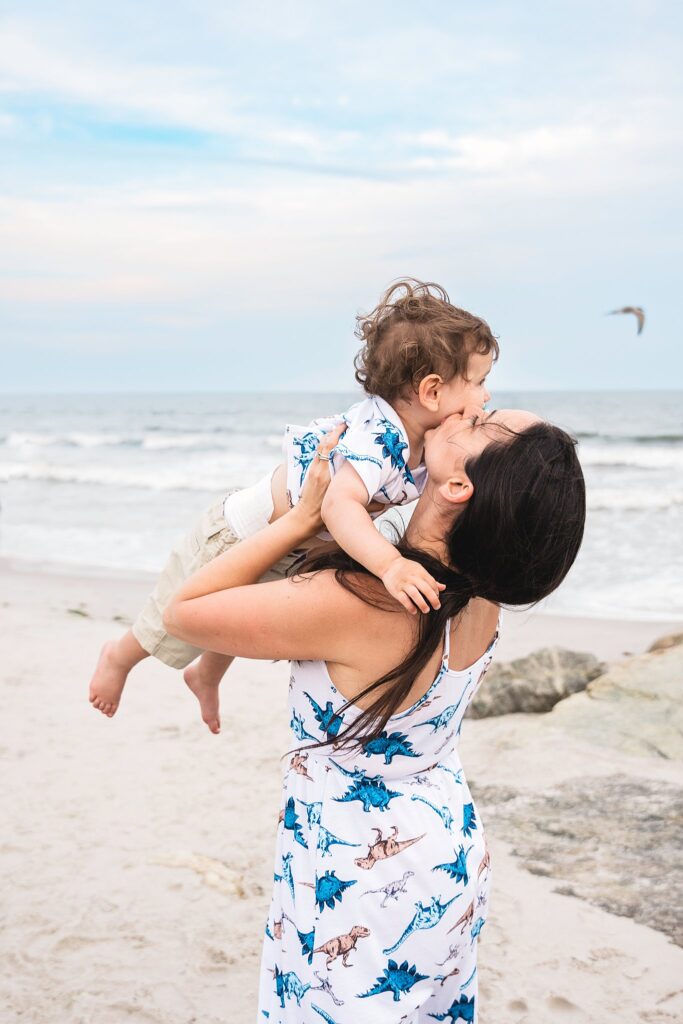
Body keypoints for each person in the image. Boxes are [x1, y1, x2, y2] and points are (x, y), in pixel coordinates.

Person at [162, 406, 586, 1023]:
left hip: (360, 876)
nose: (463, 406)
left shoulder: (359, 605)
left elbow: (184, 610)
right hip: (446, 854)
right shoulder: (482, 592)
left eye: (480, 420)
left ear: (459, 487)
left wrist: (301, 520)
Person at [89, 279, 498, 733]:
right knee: (170, 627)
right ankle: (121, 655)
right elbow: (340, 507)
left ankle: (205, 674)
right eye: (479, 382)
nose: (486, 397)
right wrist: (390, 566)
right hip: (240, 536)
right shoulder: (379, 440)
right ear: (432, 392)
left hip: (293, 547)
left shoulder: (425, 441)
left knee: (242, 616)